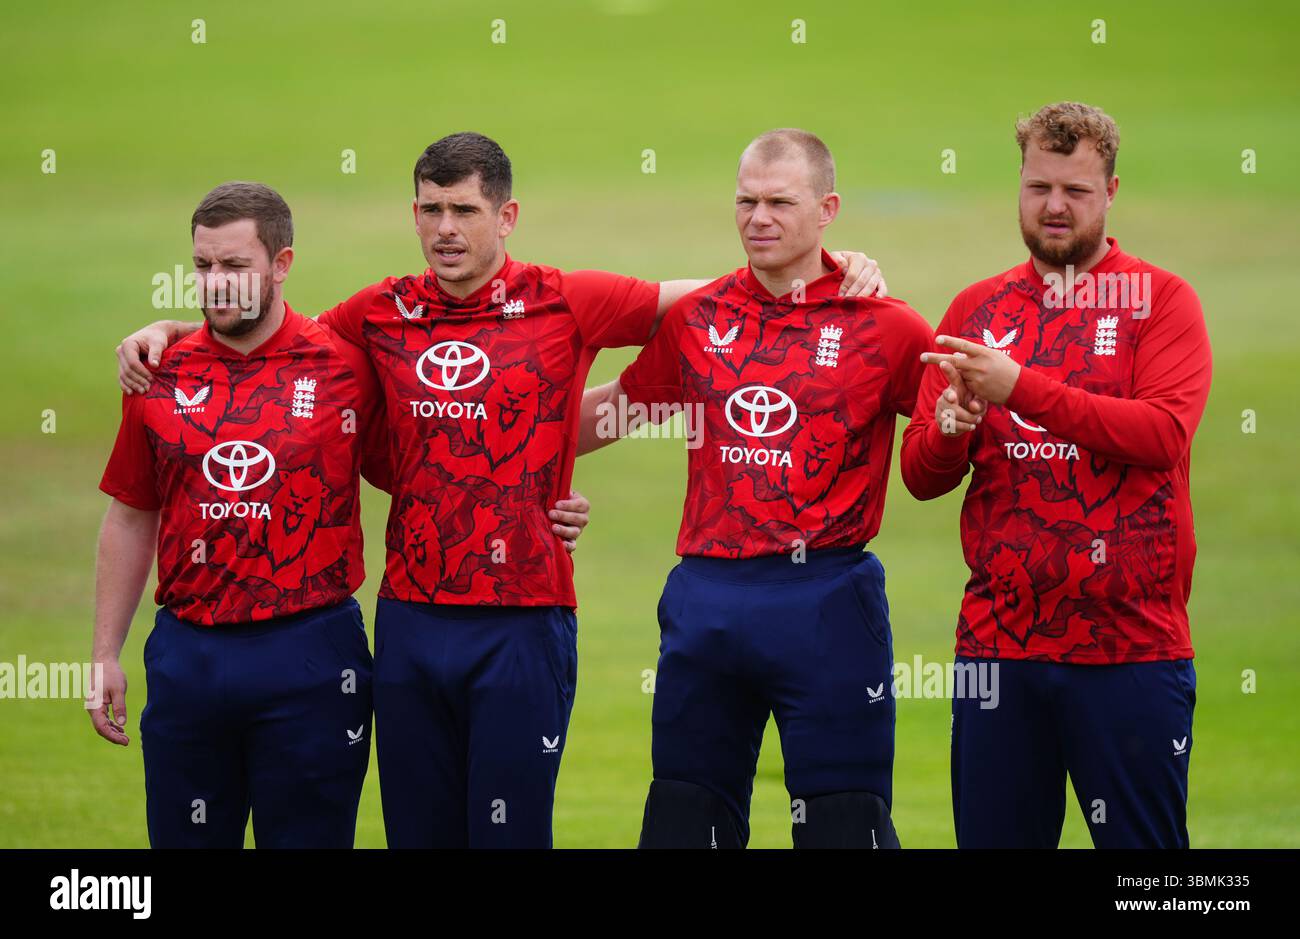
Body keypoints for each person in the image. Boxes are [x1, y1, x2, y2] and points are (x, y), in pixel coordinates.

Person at [113, 132, 888, 847]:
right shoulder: (379, 313)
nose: (445, 228)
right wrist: (179, 331)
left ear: (506, 215)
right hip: (412, 618)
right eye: (431, 210)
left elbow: (709, 299)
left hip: (524, 619)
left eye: (465, 210)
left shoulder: (567, 299)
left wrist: (821, 267)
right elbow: (275, 337)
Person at [578, 129, 930, 848]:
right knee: (682, 822)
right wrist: (494, 443)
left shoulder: (887, 328)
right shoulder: (699, 317)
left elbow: (942, 453)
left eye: (779, 202)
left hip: (828, 604)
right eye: (745, 201)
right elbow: (617, 411)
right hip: (707, 602)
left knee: (843, 824)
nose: (758, 217)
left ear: (828, 208)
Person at [900, 102, 1212, 848]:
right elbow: (918, 475)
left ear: (1111, 191)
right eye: (1039, 187)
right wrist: (949, 431)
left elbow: (1162, 435)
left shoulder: (1159, 301)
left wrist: (1021, 389)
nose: (1054, 206)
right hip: (999, 648)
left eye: (1075, 190)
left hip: (1131, 647)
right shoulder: (977, 309)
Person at [92, 182, 390, 847]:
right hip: (189, 654)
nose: (216, 284)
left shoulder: (344, 365)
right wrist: (105, 652)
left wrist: (546, 503)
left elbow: (434, 461)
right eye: (203, 267)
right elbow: (132, 513)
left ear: (282, 264)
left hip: (314, 655)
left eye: (234, 267)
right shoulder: (156, 373)